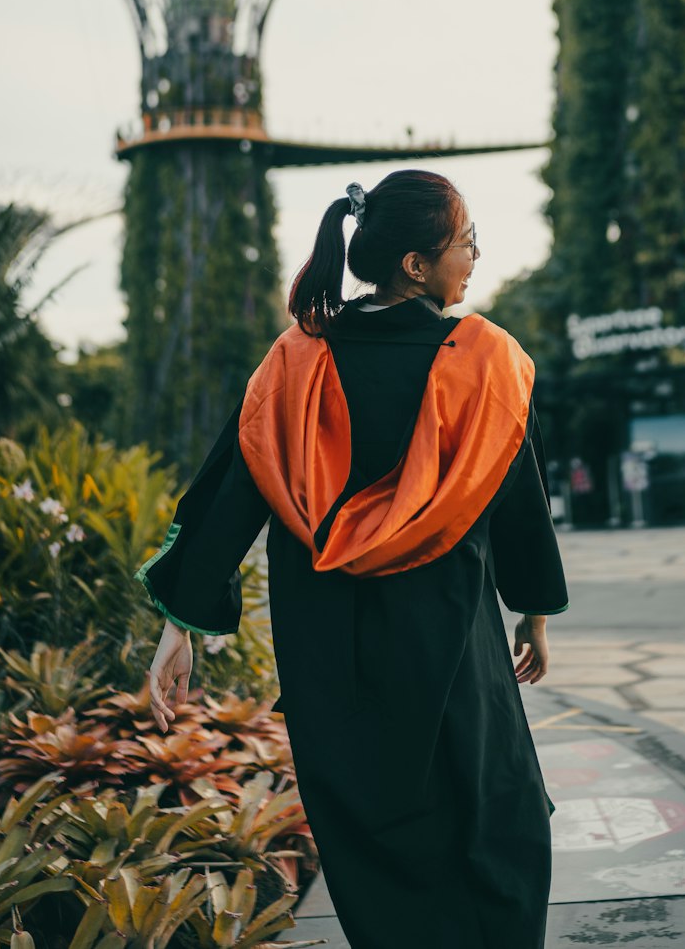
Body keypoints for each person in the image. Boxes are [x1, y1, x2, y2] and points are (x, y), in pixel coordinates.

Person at [136, 168, 568, 949]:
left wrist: (182, 623)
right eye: (464, 242)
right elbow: (518, 495)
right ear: (415, 264)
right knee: (490, 821)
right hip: (452, 649)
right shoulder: (486, 362)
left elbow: (232, 490)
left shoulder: (296, 363)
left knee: (375, 842)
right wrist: (532, 610)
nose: (474, 256)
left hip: (333, 652)